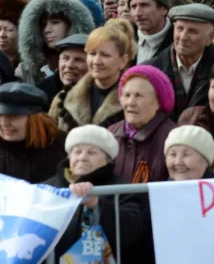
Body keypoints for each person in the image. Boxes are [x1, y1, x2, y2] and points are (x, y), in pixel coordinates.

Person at [46, 125, 151, 263]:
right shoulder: (49, 188)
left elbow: (132, 230)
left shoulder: (123, 190)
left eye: (91, 153)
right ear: (69, 157)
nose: (82, 157)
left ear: (107, 159)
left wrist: (97, 204)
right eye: (77, 152)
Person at [54, 23, 135, 131]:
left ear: (123, 60)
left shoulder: (134, 100)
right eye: (92, 53)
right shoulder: (65, 97)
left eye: (105, 55)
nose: (96, 61)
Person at [109, 65, 177, 183]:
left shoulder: (173, 138)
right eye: (126, 95)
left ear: (158, 102)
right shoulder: (110, 134)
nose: (130, 102)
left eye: (138, 96)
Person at [18, 0, 96, 85]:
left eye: (55, 22)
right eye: (43, 25)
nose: (47, 30)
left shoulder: (94, 61)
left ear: (71, 23)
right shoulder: (26, 71)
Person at [0, 82, 66, 183]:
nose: (4, 123)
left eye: (13, 116)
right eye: (0, 116)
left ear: (34, 119)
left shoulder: (62, 146)